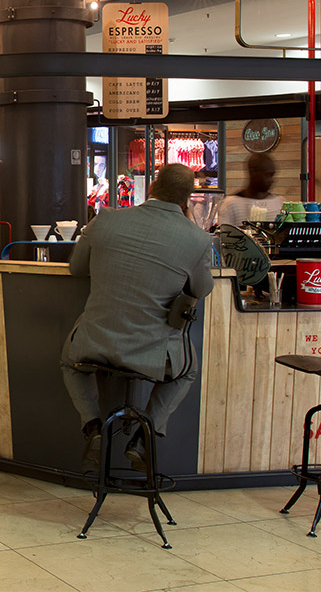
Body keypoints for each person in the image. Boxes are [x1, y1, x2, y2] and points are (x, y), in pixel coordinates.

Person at [61, 163, 214, 471]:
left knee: (70, 362)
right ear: (187, 199)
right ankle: (144, 437)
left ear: (153, 187)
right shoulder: (197, 239)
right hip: (154, 353)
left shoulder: (106, 219)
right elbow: (202, 288)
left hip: (94, 342)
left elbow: (76, 268)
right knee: (188, 371)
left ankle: (93, 428)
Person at [217, 152, 284, 227]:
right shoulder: (230, 204)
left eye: (272, 175)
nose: (272, 180)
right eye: (268, 175)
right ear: (253, 173)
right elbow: (224, 236)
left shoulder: (279, 203)